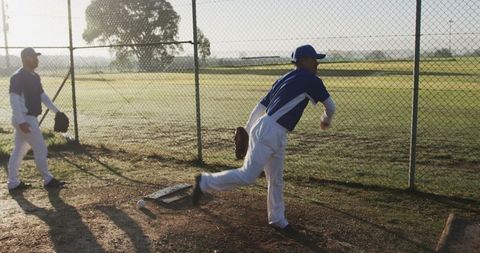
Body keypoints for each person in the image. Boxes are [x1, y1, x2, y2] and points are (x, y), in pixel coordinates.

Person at [192, 44, 336, 232]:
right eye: (313, 59)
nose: (317, 63)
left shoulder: (283, 79)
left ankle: (277, 218)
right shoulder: (311, 79)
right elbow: (330, 106)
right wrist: (326, 119)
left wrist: (248, 128)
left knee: (275, 178)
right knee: (247, 176)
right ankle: (204, 182)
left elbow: (260, 107)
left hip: (270, 129)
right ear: (302, 61)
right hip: (270, 131)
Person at [7, 47, 66, 192]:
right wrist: (21, 121)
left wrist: (57, 111)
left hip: (27, 118)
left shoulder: (34, 76)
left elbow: (42, 96)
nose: (37, 59)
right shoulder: (18, 76)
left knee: (19, 150)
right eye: (34, 57)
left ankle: (13, 183)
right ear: (26, 58)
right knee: (41, 148)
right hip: (25, 118)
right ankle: (48, 179)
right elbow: (14, 99)